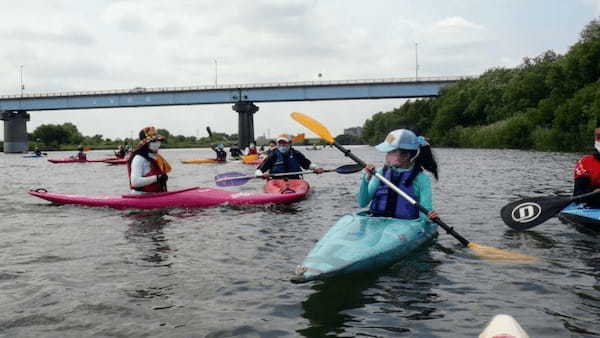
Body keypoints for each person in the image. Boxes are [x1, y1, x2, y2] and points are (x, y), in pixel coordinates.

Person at [358, 129, 439, 221]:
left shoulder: (421, 179)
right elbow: (362, 202)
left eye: (390, 152)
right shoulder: (380, 173)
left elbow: (425, 213)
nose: (386, 156)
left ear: (406, 156)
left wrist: (429, 216)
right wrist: (365, 179)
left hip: (405, 226)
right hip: (377, 221)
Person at [256, 134, 324, 180]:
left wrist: (316, 168)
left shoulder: (296, 154)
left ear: (290, 143)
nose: (282, 145)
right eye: (280, 143)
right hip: (276, 182)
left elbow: (308, 164)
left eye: (284, 143)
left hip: (295, 181)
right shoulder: (273, 155)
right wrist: (261, 175)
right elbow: (259, 170)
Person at [127, 126, 172, 194]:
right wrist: (156, 178)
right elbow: (135, 182)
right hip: (140, 195)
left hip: (154, 194)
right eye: (154, 141)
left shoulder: (154, 157)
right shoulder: (138, 159)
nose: (157, 143)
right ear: (145, 143)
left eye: (158, 140)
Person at [572, 126, 600, 206]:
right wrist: (594, 193)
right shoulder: (585, 163)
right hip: (593, 202)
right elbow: (578, 196)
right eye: (599, 137)